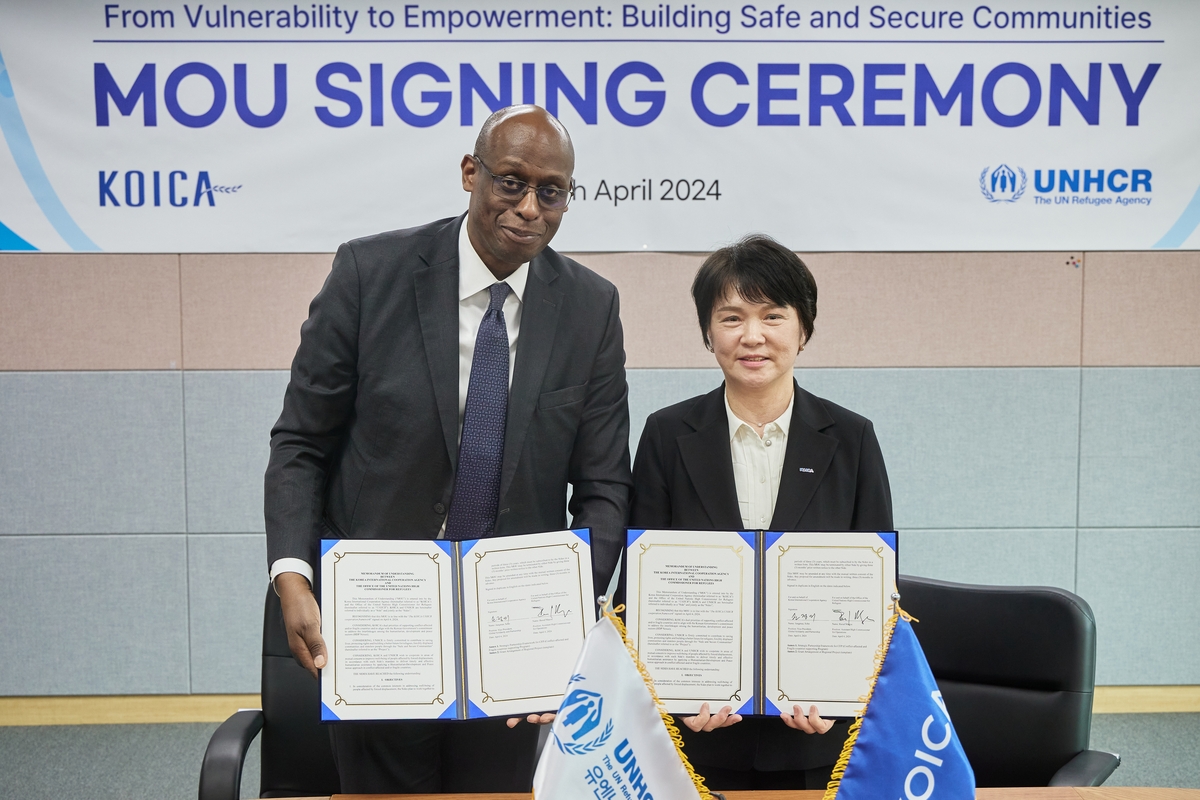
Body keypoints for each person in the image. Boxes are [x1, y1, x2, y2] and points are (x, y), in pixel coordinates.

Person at [263, 105, 632, 793]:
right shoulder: (370, 273)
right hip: (381, 611)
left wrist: (571, 616)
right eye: (511, 182)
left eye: (551, 192)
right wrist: (291, 572)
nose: (529, 208)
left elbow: (605, 485)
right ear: (471, 173)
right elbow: (301, 444)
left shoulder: (590, 307)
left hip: (515, 629)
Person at [629, 234, 893, 790]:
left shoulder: (851, 438)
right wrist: (674, 694)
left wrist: (842, 694)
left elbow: (876, 590)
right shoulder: (666, 434)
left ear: (804, 329)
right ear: (707, 332)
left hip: (814, 735)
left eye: (773, 315)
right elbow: (641, 588)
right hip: (696, 734)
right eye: (731, 317)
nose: (752, 336)